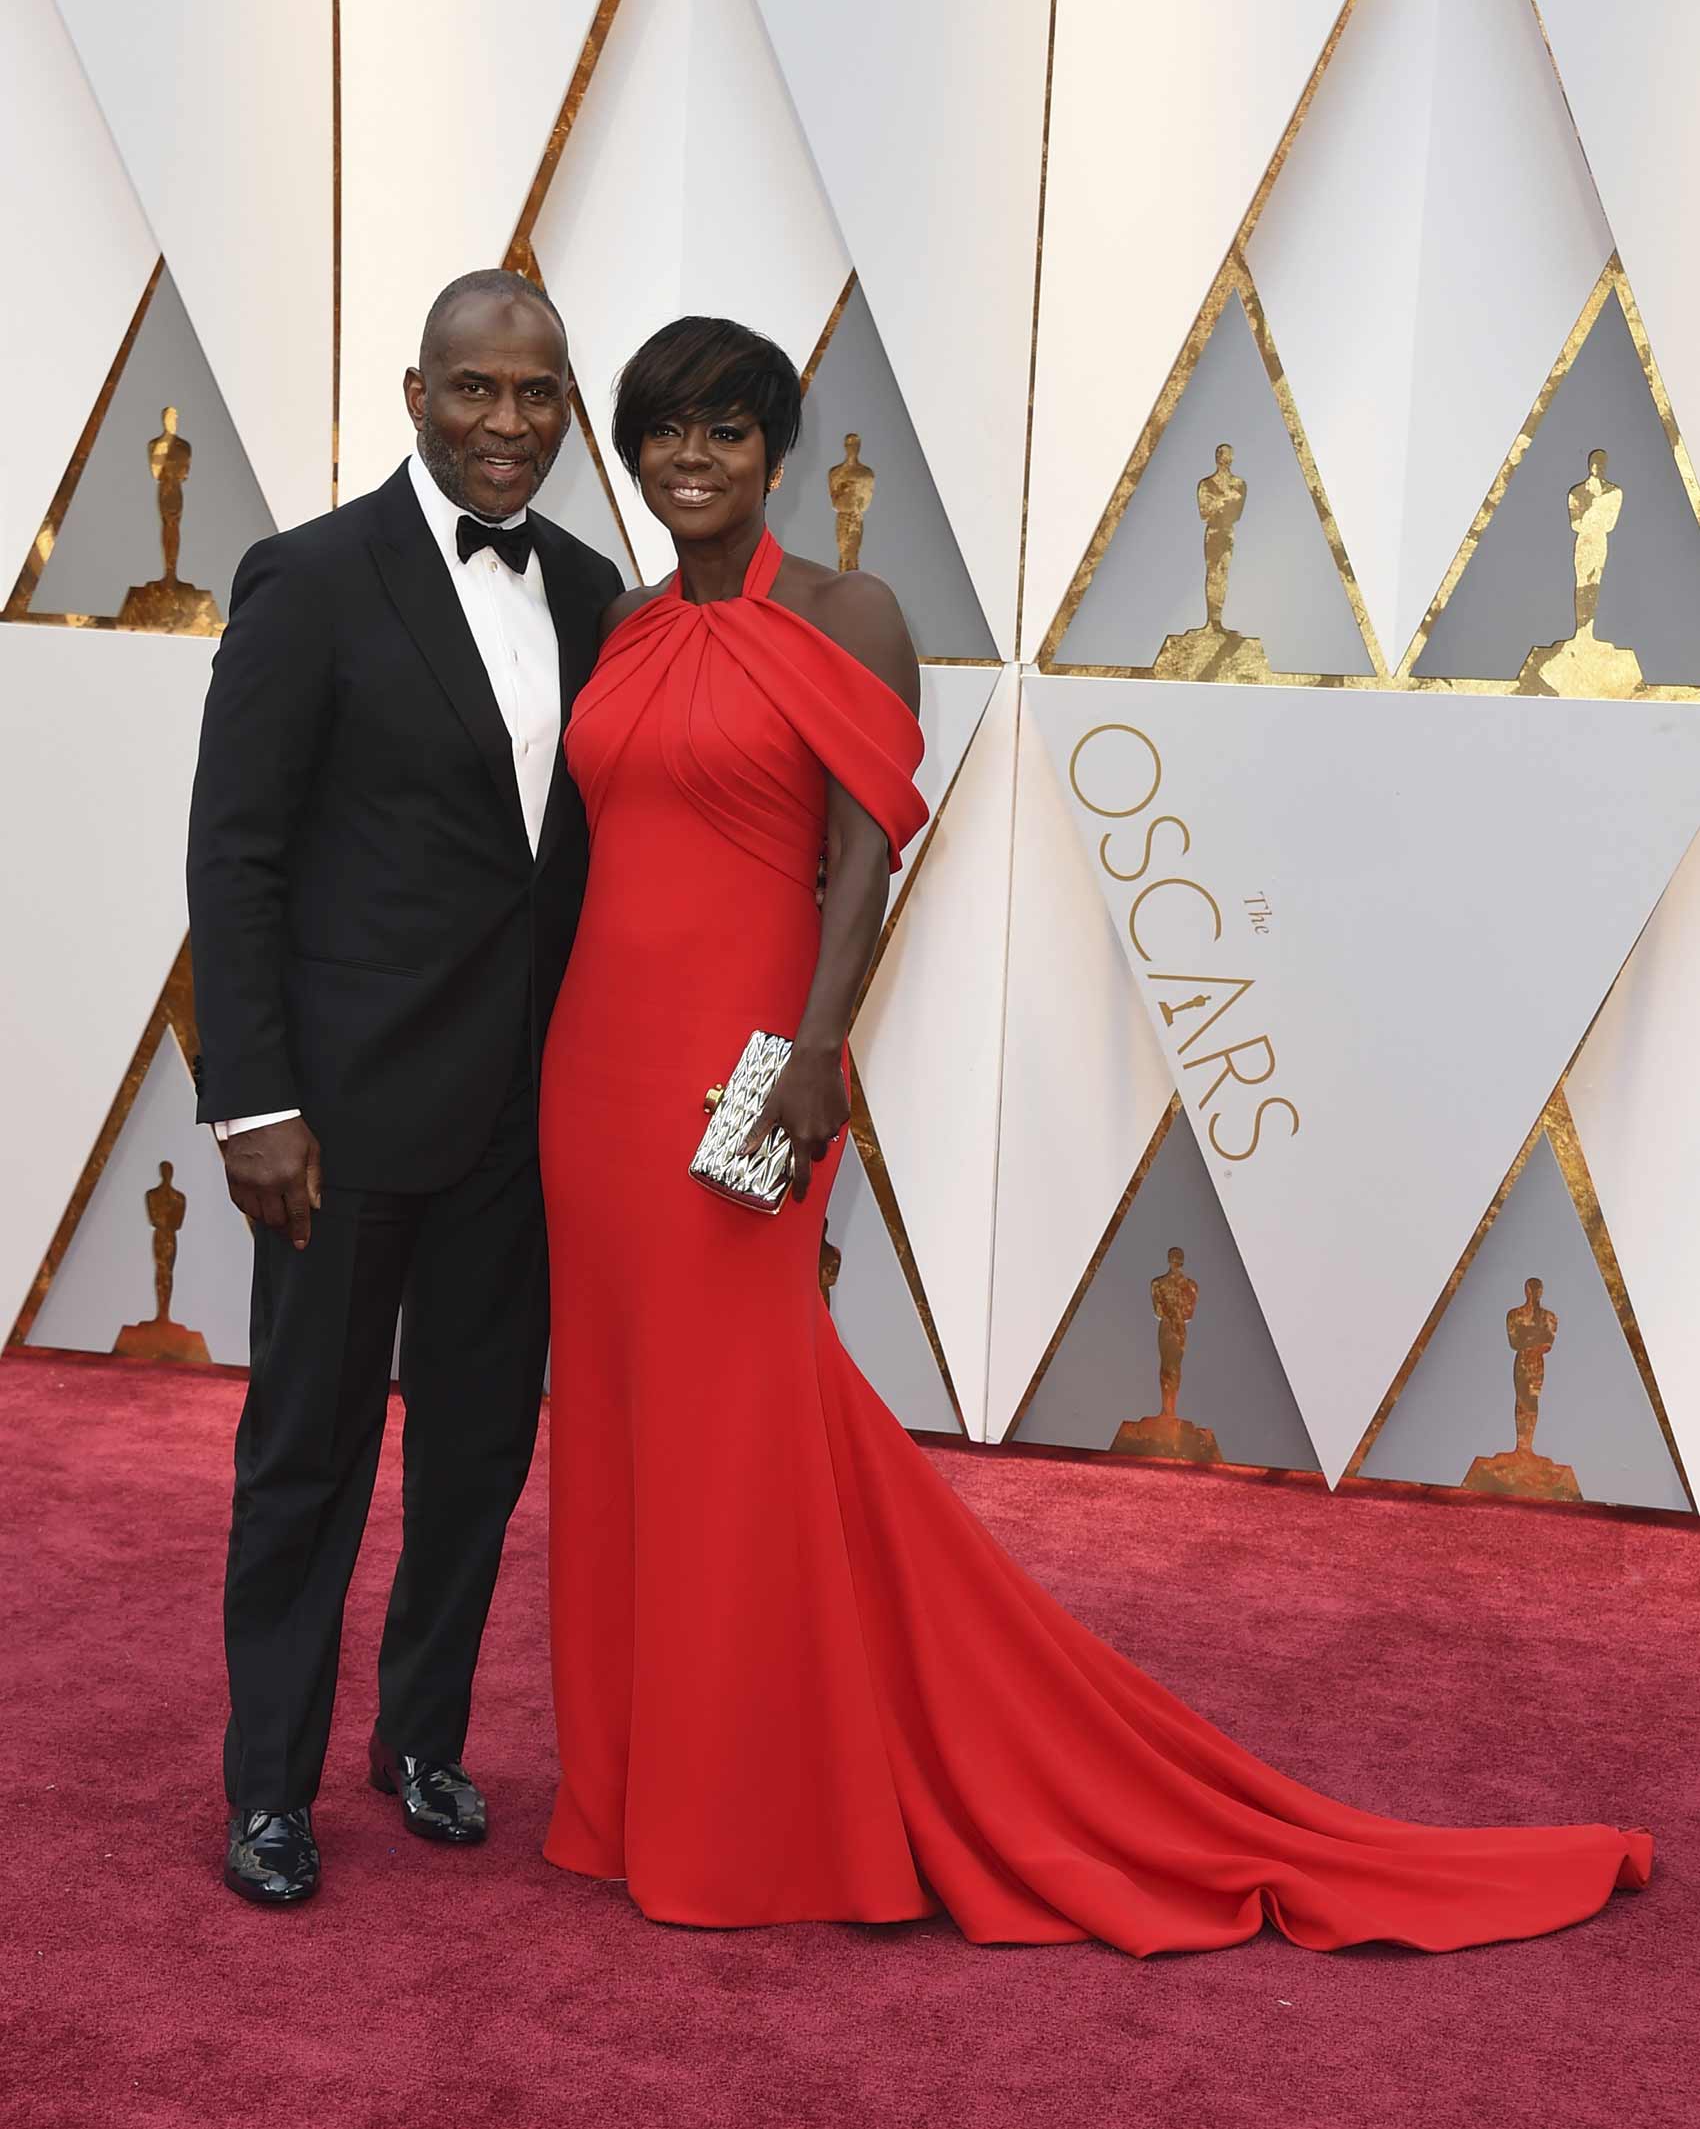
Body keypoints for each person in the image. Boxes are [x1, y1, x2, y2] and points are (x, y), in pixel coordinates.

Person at [537, 314, 1649, 1955]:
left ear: (775, 451)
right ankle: (634, 1787)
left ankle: (752, 1804)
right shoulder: (624, 627)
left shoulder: (852, 613)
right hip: (597, 1083)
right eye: (663, 433)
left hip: (746, 1080)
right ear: (632, 453)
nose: (690, 460)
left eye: (725, 431)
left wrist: (815, 1053)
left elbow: (863, 861)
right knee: (636, 1422)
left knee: (733, 1413)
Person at [187, 269, 622, 1905]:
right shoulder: (309, 579)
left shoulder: (590, 589)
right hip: (340, 1118)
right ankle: (270, 1789)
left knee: (480, 1446)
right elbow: (233, 853)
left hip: (526, 1115)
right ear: (416, 392)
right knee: (307, 1453)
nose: (508, 423)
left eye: (537, 393)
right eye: (474, 391)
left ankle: (422, 1734)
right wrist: (253, 1099)